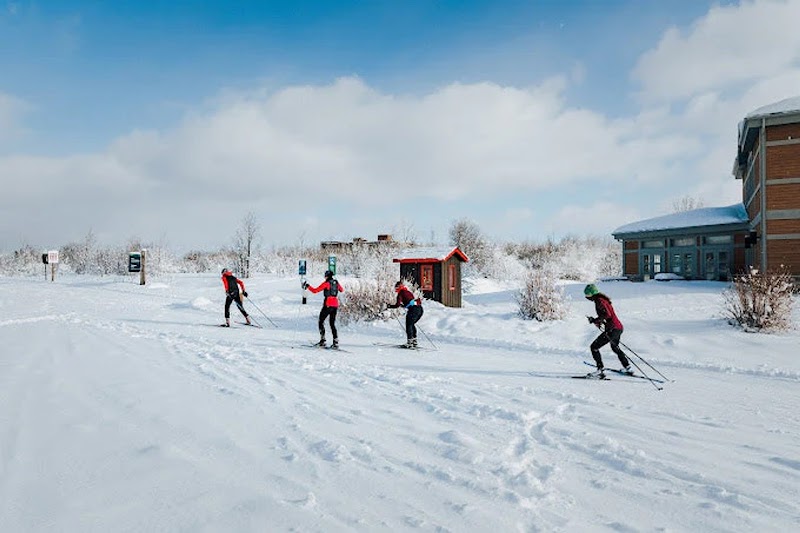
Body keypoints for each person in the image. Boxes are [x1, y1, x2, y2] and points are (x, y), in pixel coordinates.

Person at [584, 283, 631, 377]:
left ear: (592, 294)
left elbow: (607, 315)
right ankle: (627, 366)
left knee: (594, 347)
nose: (586, 297)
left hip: (612, 329)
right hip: (618, 327)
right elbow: (606, 315)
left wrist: (596, 320)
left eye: (587, 295)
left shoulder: (599, 301)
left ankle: (600, 370)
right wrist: (597, 321)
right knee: (615, 347)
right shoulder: (602, 300)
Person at [303, 270, 343, 348]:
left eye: (325, 275)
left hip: (328, 304)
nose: (324, 277)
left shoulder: (327, 283)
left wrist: (308, 286)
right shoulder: (336, 282)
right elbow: (341, 290)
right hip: (335, 305)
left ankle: (323, 340)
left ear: (327, 276)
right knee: (332, 323)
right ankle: (335, 341)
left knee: (321, 321)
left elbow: (315, 291)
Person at [387, 280, 423, 348]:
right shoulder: (408, 292)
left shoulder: (401, 293)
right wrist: (403, 305)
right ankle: (414, 341)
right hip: (420, 309)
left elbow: (397, 305)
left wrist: (390, 306)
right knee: (412, 324)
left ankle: (410, 342)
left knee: (409, 325)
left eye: (396, 288)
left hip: (413, 310)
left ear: (399, 287)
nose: (395, 289)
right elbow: (410, 301)